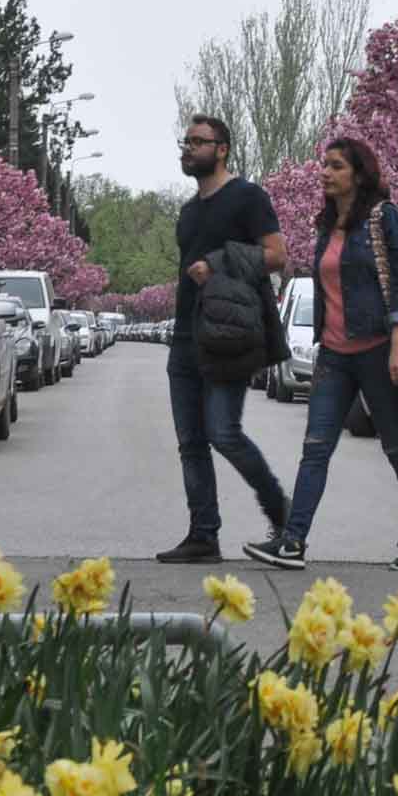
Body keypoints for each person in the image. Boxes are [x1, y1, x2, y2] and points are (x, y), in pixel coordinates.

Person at [245, 137, 398, 573]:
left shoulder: (384, 219)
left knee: (397, 448)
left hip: (377, 351)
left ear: (358, 173)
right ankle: (292, 542)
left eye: (335, 166)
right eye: (324, 165)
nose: (325, 173)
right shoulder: (327, 225)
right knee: (315, 448)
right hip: (333, 354)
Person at [156, 116, 292, 566]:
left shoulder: (247, 197)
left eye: (198, 142)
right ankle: (203, 535)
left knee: (223, 432)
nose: (188, 149)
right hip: (186, 335)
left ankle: (282, 514)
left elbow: (276, 255)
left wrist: (217, 264)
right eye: (186, 142)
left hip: (229, 336)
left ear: (223, 149)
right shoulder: (189, 210)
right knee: (191, 441)